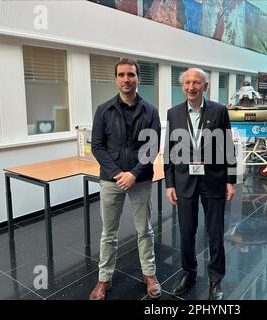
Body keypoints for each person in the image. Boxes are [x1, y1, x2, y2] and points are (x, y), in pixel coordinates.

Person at [89, 58, 161, 300]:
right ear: (116, 78)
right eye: (121, 75)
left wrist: (134, 173)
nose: (126, 79)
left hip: (140, 179)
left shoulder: (150, 110)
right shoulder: (103, 110)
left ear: (138, 78)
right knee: (108, 232)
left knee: (144, 230)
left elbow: (153, 146)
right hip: (111, 180)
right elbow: (97, 146)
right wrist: (118, 173)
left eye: (130, 74)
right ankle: (104, 279)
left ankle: (149, 274)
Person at [164, 68, 236, 300]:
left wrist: (230, 180)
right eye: (187, 83)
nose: (191, 87)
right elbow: (170, 150)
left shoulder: (218, 111)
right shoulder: (173, 113)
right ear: (182, 86)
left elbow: (228, 146)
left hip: (213, 179)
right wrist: (170, 183)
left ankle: (216, 279)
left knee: (214, 232)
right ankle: (188, 273)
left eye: (196, 82)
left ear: (205, 86)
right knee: (186, 232)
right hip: (184, 180)